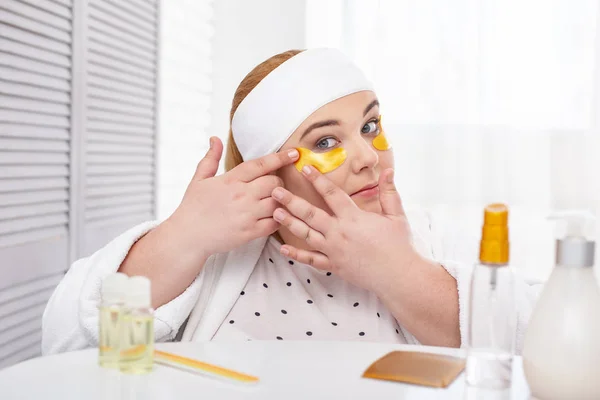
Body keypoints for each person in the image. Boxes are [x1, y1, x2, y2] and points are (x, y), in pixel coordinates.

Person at [42, 48, 539, 355]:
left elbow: (548, 350)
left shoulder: (437, 241)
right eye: (326, 142)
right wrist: (180, 236)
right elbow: (68, 345)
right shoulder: (211, 257)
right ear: (269, 166)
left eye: (370, 126)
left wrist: (399, 272)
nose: (367, 156)